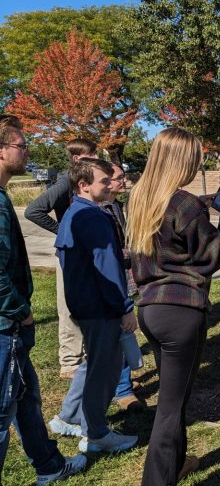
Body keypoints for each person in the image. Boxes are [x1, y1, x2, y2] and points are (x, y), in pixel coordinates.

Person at [126, 127, 220, 485]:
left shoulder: (141, 198)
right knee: (170, 410)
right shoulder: (184, 204)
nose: (198, 164)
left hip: (150, 309)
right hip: (181, 311)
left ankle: (176, 463)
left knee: (176, 395)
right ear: (182, 161)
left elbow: (173, 233)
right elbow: (211, 258)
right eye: (195, 159)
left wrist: (206, 205)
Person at [0, 114, 88, 484]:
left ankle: (49, 465)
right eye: (22, 145)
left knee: (27, 398)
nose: (27, 150)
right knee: (3, 412)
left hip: (11, 327)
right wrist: (20, 313)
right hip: (5, 326)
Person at [51, 158, 139, 454]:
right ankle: (96, 433)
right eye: (103, 181)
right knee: (105, 370)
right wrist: (124, 307)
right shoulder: (93, 218)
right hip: (100, 308)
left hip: (84, 305)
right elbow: (108, 268)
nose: (109, 185)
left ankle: (69, 416)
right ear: (83, 185)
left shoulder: (73, 213)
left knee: (92, 365)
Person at [25, 138, 97, 379]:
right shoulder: (66, 181)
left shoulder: (83, 182)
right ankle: (69, 362)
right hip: (68, 254)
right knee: (68, 306)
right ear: (77, 159)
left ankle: (86, 355)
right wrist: (63, 231)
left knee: (86, 303)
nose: (96, 158)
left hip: (85, 253)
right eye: (91, 155)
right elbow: (33, 211)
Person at [101, 164, 143, 411]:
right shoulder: (100, 209)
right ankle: (123, 391)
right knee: (119, 334)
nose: (123, 181)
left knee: (125, 332)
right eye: (119, 178)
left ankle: (123, 381)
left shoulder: (116, 205)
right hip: (113, 282)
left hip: (124, 276)